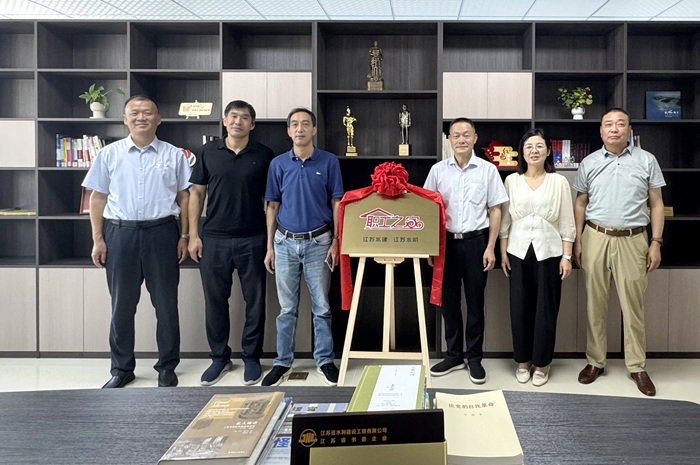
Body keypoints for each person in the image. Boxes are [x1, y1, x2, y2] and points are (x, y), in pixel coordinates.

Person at [82, 95, 191, 389]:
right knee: (121, 306)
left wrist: (184, 236)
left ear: (159, 119)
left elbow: (184, 197)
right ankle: (121, 369)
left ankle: (167, 366)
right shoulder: (109, 154)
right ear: (125, 119)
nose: (141, 117)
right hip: (121, 235)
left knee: (166, 306)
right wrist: (98, 239)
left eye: (147, 113)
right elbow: (98, 198)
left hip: (162, 234)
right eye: (135, 113)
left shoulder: (174, 155)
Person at [572, 108, 665, 397]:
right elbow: (580, 203)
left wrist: (656, 242)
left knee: (633, 306)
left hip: (633, 239)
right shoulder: (589, 162)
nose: (614, 129)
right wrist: (578, 241)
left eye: (620, 124)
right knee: (595, 304)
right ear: (601, 131)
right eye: (608, 125)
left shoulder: (646, 160)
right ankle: (595, 362)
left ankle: (637, 366)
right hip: (595, 237)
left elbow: (656, 203)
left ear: (629, 130)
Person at [187, 100, 274, 386]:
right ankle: (219, 358)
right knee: (215, 302)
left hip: (253, 237)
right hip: (214, 238)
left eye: (244, 117)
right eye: (233, 116)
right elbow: (197, 194)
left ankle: (251, 357)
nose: (238, 121)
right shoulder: (207, 152)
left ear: (252, 124)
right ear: (225, 121)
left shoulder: (264, 155)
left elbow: (271, 200)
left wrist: (270, 241)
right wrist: (193, 235)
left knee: (255, 302)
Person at [262, 108, 344, 387]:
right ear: (288, 131)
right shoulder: (278, 164)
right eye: (295, 124)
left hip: (319, 242)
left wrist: (336, 240)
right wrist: (270, 247)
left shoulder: (329, 161)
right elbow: (272, 205)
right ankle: (282, 362)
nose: (300, 129)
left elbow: (337, 202)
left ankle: (324, 360)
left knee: (322, 307)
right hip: (284, 243)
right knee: (286, 309)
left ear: (314, 129)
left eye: (305, 124)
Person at [423, 117, 508, 384]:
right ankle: (453, 356)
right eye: (456, 135)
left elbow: (496, 210)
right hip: (445, 244)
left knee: (475, 303)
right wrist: (430, 247)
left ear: (475, 138)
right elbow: (428, 209)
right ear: (449, 139)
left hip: (476, 243)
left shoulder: (487, 170)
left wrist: (491, 247)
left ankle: (474, 358)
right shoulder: (438, 170)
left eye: (466, 134)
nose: (461, 139)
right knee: (448, 302)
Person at [499, 128, 575, 387]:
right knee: (519, 308)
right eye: (529, 146)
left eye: (539, 146)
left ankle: (542, 363)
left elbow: (567, 220)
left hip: (550, 252)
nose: (534, 151)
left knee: (546, 309)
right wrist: (503, 252)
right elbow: (505, 221)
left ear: (548, 151)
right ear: (522, 152)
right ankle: (523, 361)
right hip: (517, 251)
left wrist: (567, 256)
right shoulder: (512, 181)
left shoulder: (559, 181)